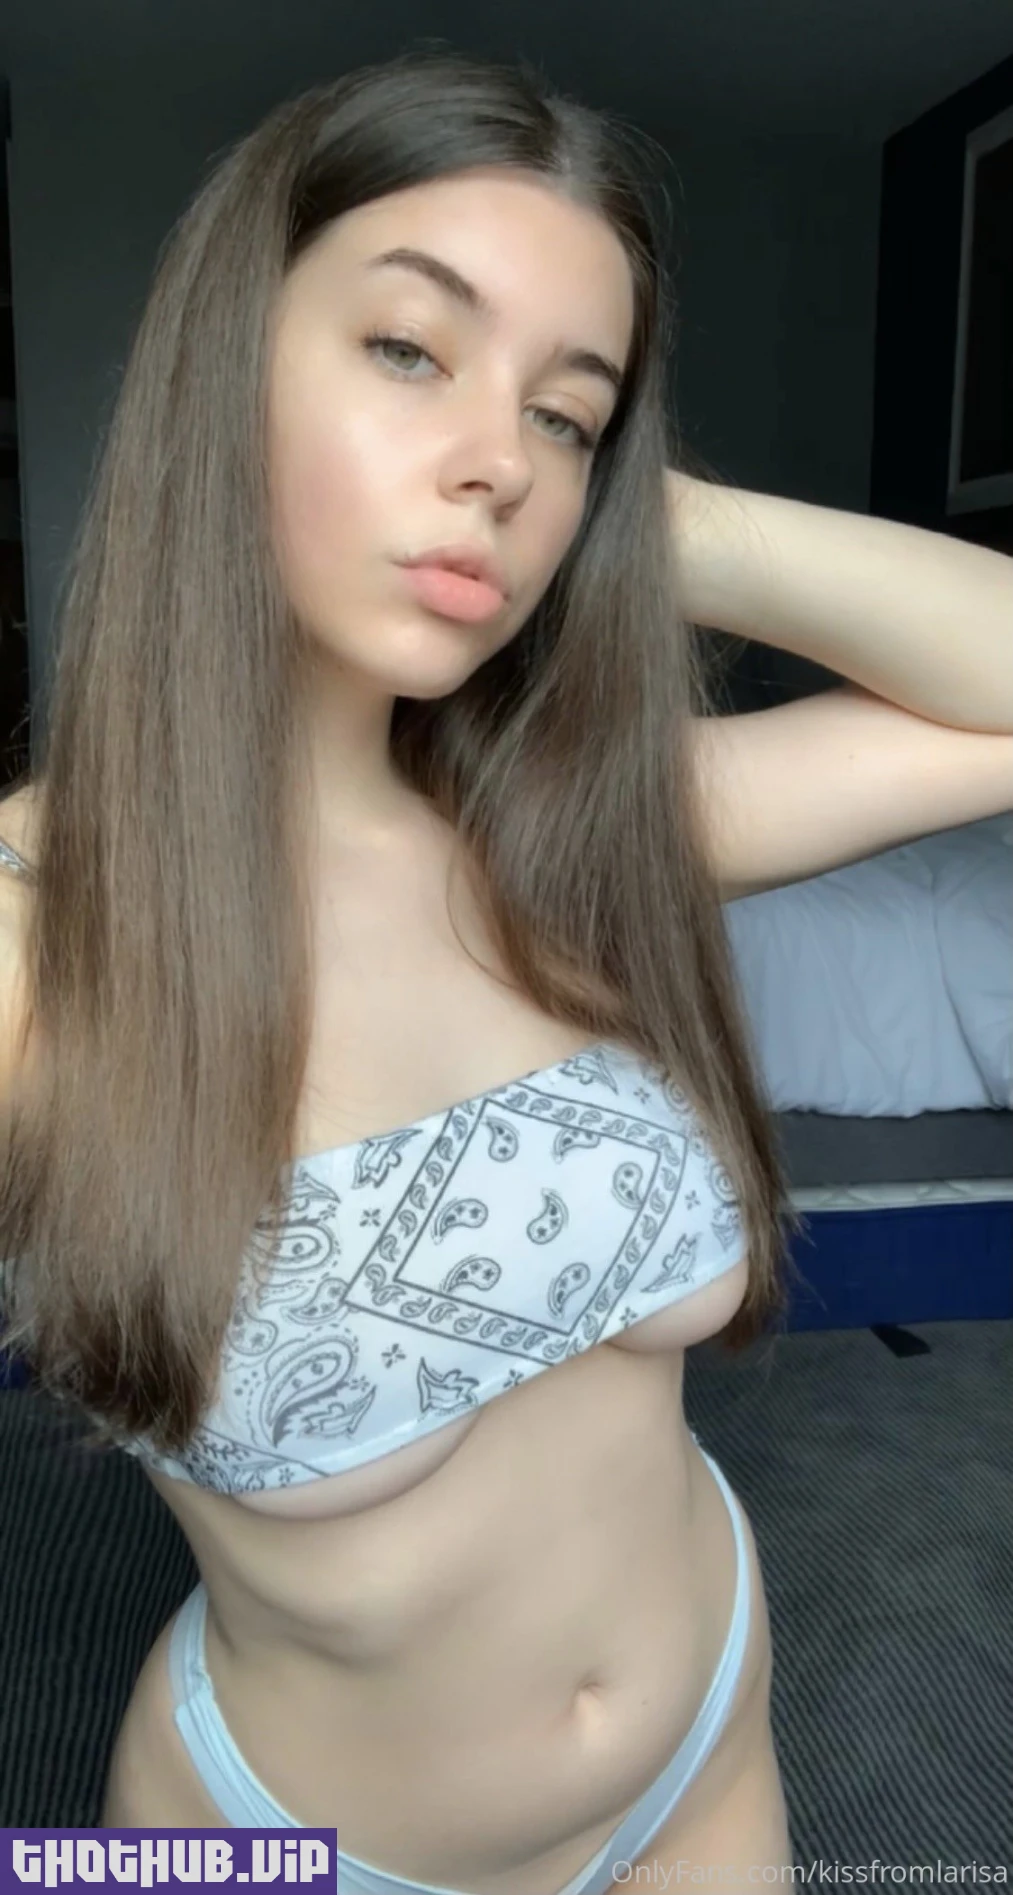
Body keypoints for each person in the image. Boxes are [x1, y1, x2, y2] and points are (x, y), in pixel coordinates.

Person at [4, 41, 1011, 1895]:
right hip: (286, 1843)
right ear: (224, 362)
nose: (496, 463)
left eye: (568, 412)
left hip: (706, 1746)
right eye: (410, 349)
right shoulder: (30, 927)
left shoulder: (580, 825)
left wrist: (633, 522)